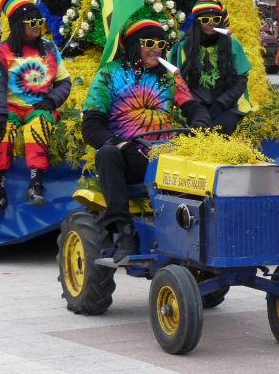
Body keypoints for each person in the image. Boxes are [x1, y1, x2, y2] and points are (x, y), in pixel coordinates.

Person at [81, 19, 209, 261]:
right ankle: (124, 231)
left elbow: (194, 108)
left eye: (161, 44)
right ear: (133, 46)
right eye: (149, 43)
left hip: (164, 158)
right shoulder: (109, 73)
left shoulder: (169, 77)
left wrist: (200, 123)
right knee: (107, 153)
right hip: (128, 159)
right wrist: (119, 143)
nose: (156, 49)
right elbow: (90, 126)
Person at [0, 0, 72, 213]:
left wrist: (51, 100)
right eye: (32, 21)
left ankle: (36, 184)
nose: (38, 25)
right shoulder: (2, 51)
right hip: (10, 108)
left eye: (39, 21)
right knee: (1, 133)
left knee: (39, 128)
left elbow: (64, 81)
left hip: (39, 107)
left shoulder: (50, 48)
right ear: (18, 25)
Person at [167, 0, 253, 135]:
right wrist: (196, 108)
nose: (211, 23)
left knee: (218, 130)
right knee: (196, 132)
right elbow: (177, 82)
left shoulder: (233, 44)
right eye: (205, 20)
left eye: (216, 19)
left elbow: (241, 80)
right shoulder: (182, 48)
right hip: (193, 106)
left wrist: (220, 104)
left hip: (229, 105)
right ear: (197, 23)